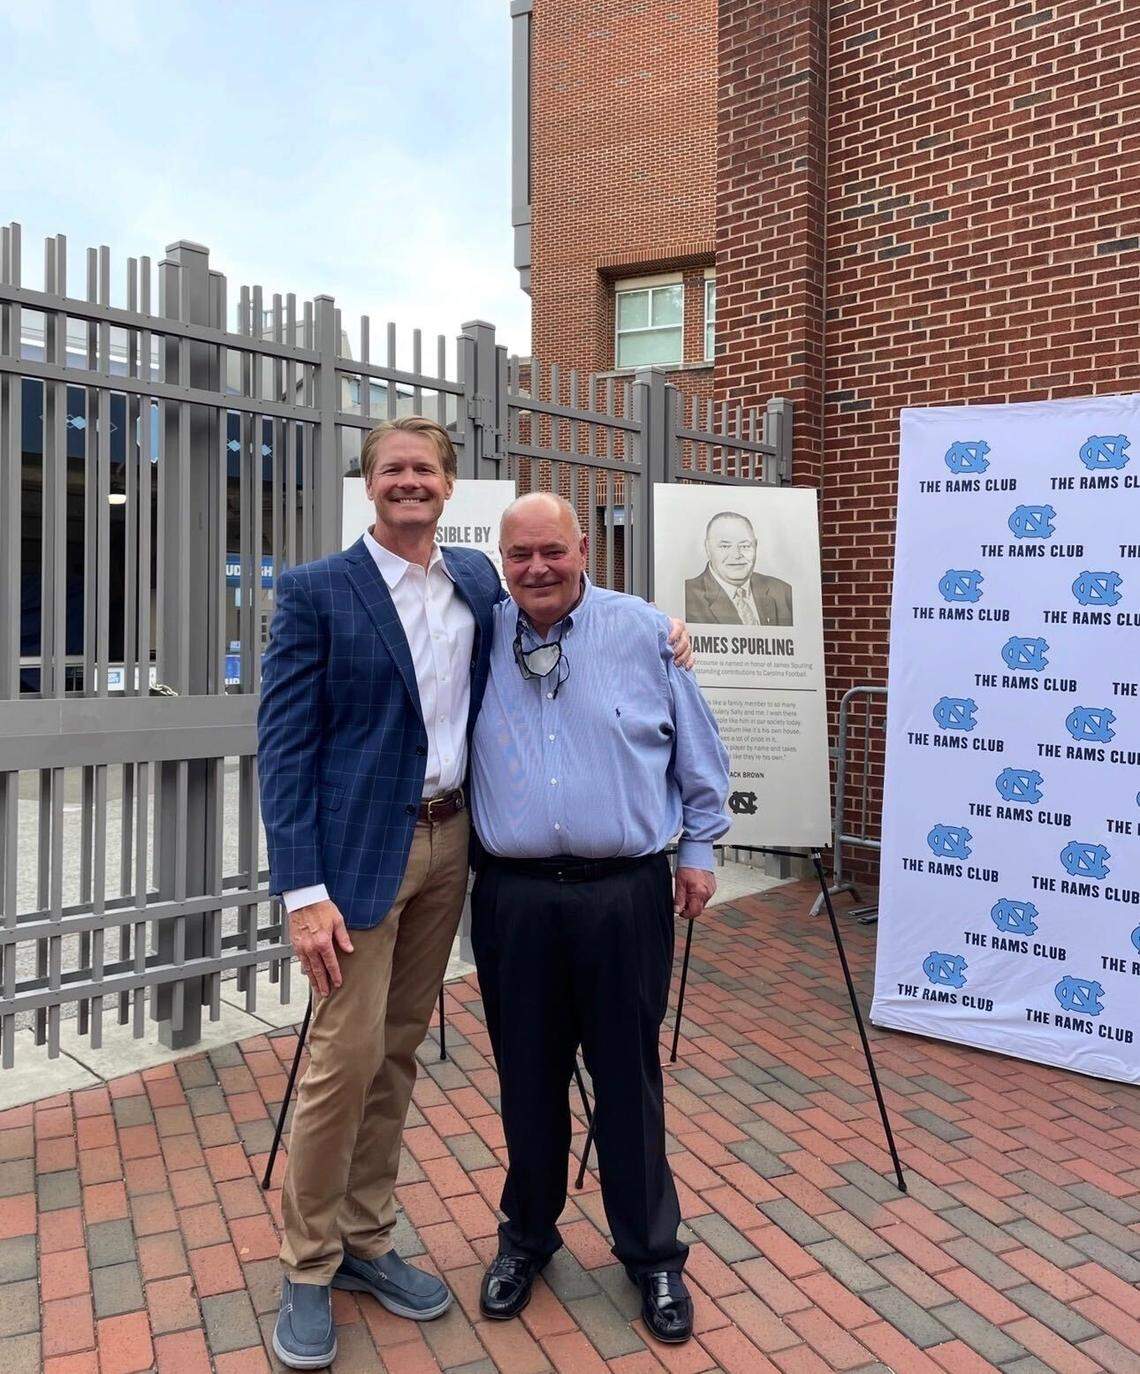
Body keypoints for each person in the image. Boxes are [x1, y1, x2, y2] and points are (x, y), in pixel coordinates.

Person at [258, 425, 691, 1369]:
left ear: (450, 487)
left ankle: (366, 1240)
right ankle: (307, 1263)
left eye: (424, 469)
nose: (408, 482)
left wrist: (661, 625)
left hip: (456, 846)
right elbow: (284, 754)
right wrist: (301, 890)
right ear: (369, 485)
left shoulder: (476, 583)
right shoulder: (316, 592)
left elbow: (573, 598)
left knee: (400, 1050)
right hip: (360, 860)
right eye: (391, 470)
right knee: (343, 1056)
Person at [469, 493, 729, 1346]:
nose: (537, 568)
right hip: (514, 897)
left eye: (553, 550)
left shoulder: (647, 633)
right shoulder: (478, 634)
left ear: (585, 548)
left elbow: (699, 755)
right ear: (500, 563)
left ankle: (652, 1254)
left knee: (628, 1078)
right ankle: (528, 1239)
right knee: (527, 1081)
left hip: (624, 894)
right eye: (520, 557)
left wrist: (700, 849)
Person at [684, 510, 793, 625]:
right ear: (707, 548)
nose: (736, 555)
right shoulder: (687, 596)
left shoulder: (783, 591)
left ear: (756, 545)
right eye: (725, 546)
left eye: (745, 546)